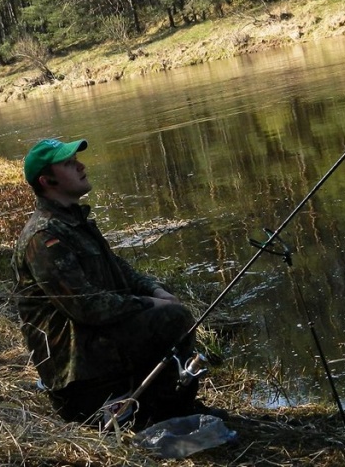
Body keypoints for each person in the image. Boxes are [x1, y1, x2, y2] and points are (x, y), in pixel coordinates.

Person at [13, 137, 203, 427]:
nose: (80, 166)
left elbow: (120, 270)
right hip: (77, 371)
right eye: (68, 163)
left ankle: (170, 406)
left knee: (169, 310)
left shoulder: (75, 223)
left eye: (76, 160)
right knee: (170, 319)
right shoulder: (43, 237)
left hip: (96, 346)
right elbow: (86, 306)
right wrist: (151, 305)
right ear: (47, 180)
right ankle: (161, 411)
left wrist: (155, 290)